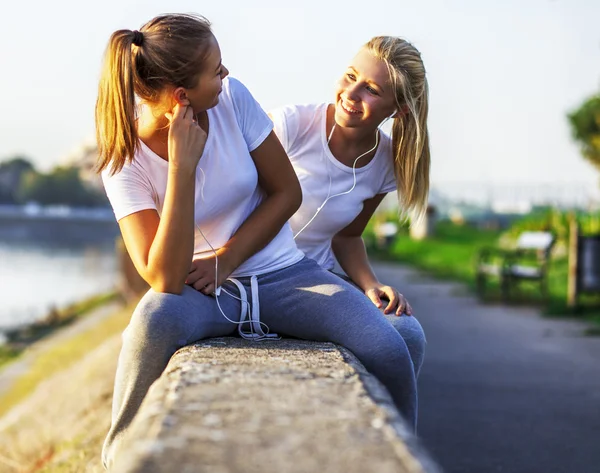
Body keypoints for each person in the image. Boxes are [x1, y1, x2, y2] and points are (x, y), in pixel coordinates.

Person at [95, 14, 418, 469]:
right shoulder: (123, 160)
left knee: (389, 347)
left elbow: (288, 193)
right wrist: (180, 169)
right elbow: (164, 278)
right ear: (183, 96)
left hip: (285, 275)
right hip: (201, 293)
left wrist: (226, 260)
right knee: (151, 320)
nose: (225, 76)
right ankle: (117, 460)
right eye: (216, 70)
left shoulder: (233, 99)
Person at [269, 36, 430, 379]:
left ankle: (391, 431)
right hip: (259, 273)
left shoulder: (387, 162)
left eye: (371, 89)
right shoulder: (291, 126)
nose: (351, 94)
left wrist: (371, 284)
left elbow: (348, 237)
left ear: (398, 109)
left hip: (318, 280)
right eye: (350, 76)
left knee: (408, 333)